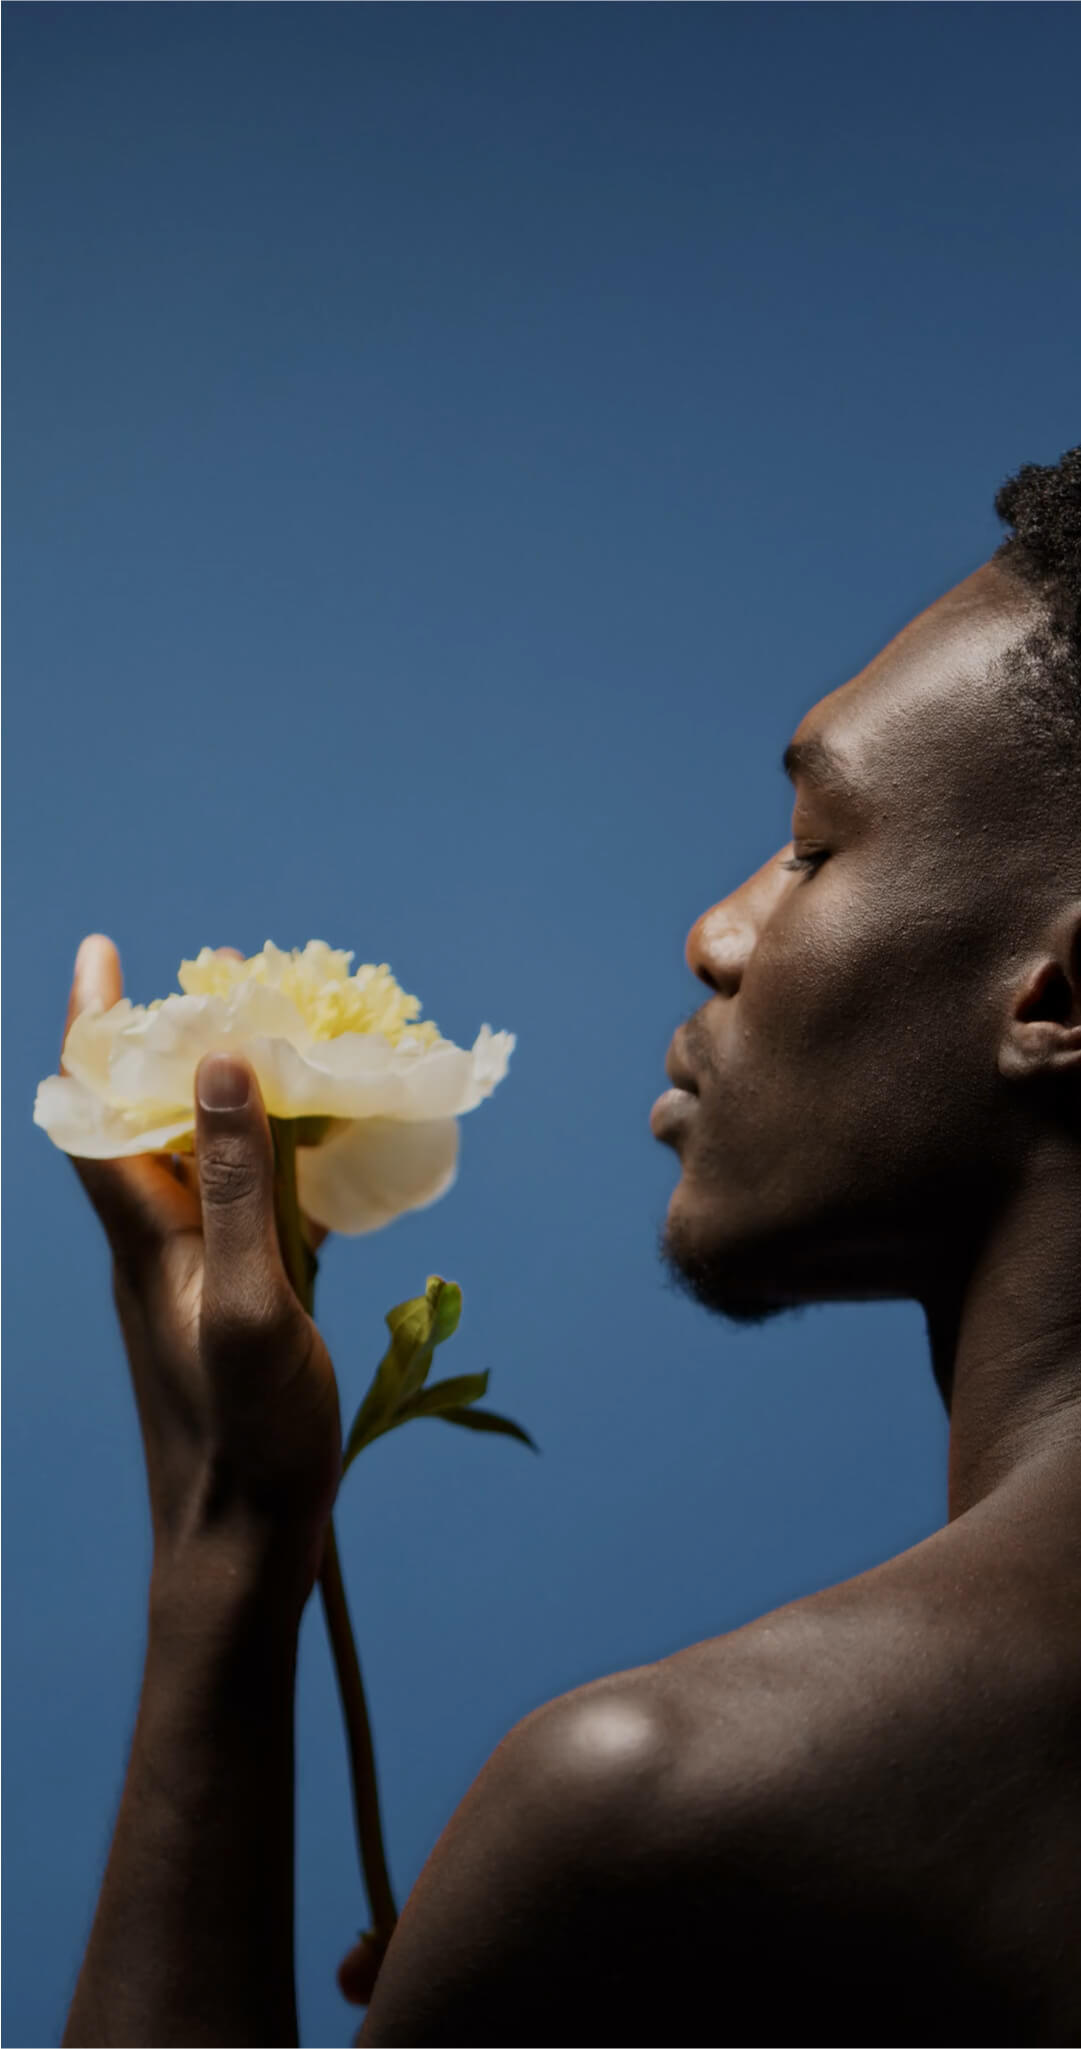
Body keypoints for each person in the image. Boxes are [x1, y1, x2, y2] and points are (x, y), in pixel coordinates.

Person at [60, 447, 1080, 2049]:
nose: (716, 932)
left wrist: (228, 1545)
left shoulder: (665, 1803)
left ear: (1062, 995)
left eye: (813, 845)